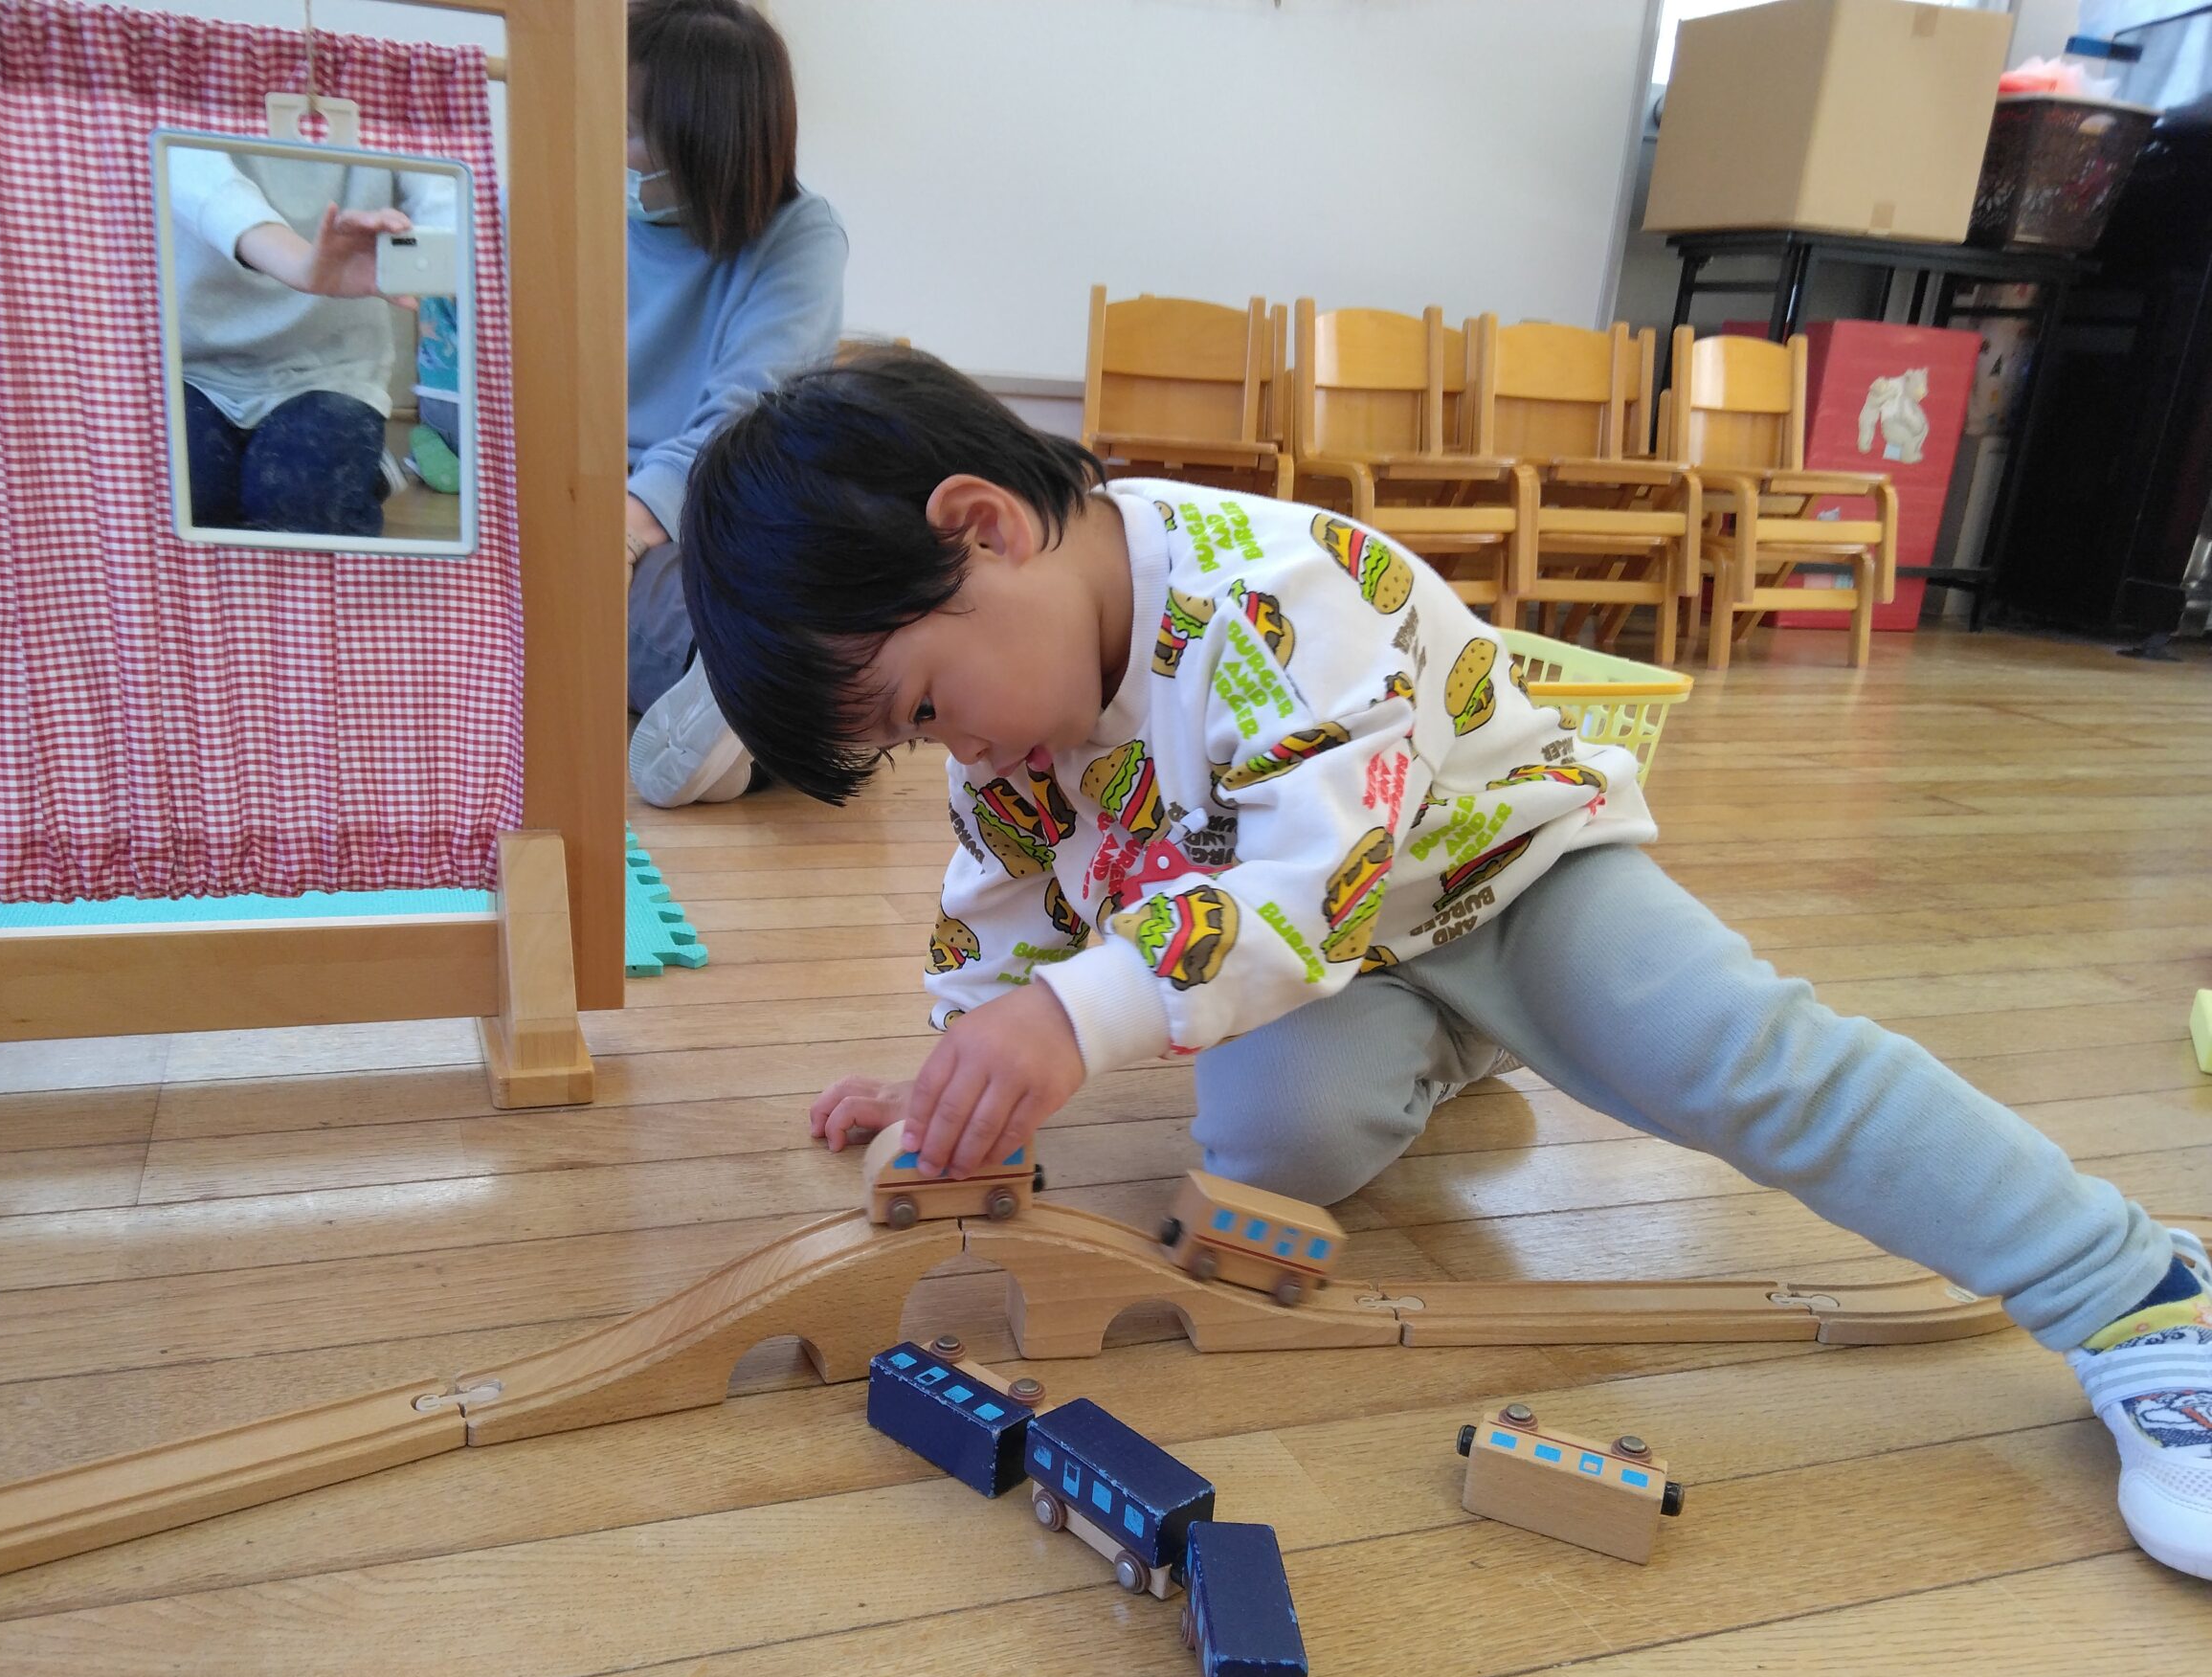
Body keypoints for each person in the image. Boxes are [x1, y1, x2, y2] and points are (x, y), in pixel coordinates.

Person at [675, 347, 2212, 1583]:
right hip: (1333, 956)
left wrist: (1077, 1020)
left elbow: (1313, 876)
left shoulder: (1272, 587)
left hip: (1509, 880)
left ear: (984, 528)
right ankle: (1463, 1046)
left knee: (1744, 1060)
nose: (954, 753)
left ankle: (2135, 1295)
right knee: (1271, 1146)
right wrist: (955, 1064)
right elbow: (1006, 904)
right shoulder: (1020, 721)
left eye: (922, 707)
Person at [622, 0, 848, 808]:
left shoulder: (801, 234)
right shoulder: (569, 207)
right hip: (598, 494)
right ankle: (748, 718)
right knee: (634, 596)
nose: (616, 149)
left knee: (754, 577)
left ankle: (751, 708)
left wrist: (631, 522)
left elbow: (744, 415)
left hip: (717, 494)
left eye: (632, 131)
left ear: (703, 143)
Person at [167, 147, 455, 538]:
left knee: (303, 509)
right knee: (192, 501)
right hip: (196, 368)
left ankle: (354, 469)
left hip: (332, 371)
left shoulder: (398, 116)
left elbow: (447, 193)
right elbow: (206, 186)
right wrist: (303, 265)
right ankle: (361, 472)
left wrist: (442, 255)